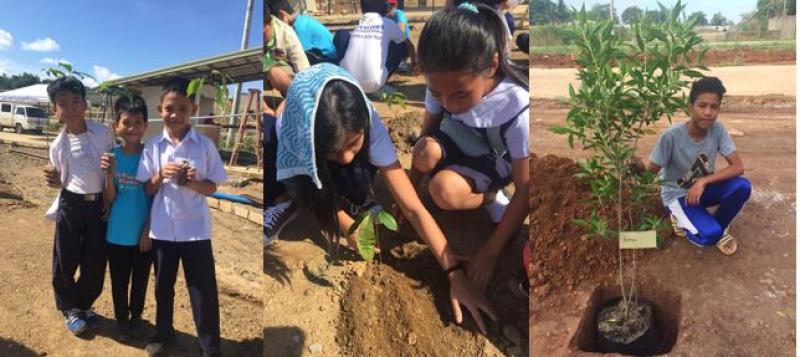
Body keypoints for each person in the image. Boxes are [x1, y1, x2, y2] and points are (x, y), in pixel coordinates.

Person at [263, 63, 497, 333]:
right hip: (287, 144)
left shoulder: (370, 127)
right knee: (285, 183)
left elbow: (413, 208)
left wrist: (453, 271)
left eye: (354, 144)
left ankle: (348, 190)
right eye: (335, 152)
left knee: (356, 178)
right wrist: (347, 227)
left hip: (325, 137)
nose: (347, 157)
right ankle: (285, 198)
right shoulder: (302, 140)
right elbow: (316, 194)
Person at [412, 3, 530, 292]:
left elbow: (526, 188)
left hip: (493, 157)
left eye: (461, 96)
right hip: (458, 140)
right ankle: (459, 178)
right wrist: (410, 193)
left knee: (443, 191)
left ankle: (489, 197)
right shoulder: (442, 84)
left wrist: (490, 252)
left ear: (491, 65)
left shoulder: (517, 108)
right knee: (424, 150)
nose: (449, 104)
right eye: (439, 94)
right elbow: (429, 130)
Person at [137, 78, 228, 356]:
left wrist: (193, 183)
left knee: (202, 292)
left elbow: (213, 186)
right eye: (169, 108)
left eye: (183, 109)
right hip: (163, 231)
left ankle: (209, 347)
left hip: (196, 231)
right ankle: (163, 333)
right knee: (163, 287)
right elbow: (147, 188)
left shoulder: (203, 146)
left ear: (194, 109)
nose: (175, 115)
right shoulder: (152, 146)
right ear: (159, 109)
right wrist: (159, 175)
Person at [646, 76, 750, 256]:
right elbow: (650, 172)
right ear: (690, 106)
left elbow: (737, 167)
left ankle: (718, 227)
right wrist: (634, 174)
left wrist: (702, 182)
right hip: (677, 195)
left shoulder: (718, 130)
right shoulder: (671, 137)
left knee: (742, 186)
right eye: (702, 106)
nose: (708, 112)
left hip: (702, 190)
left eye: (714, 107)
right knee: (708, 236)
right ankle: (682, 220)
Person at [43, 76, 114, 336]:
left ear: (85, 104)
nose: (71, 107)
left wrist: (108, 199)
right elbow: (61, 180)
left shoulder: (103, 132)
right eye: (63, 103)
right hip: (71, 204)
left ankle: (86, 305)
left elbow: (111, 169)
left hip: (98, 204)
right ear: (55, 110)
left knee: (95, 257)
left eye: (76, 101)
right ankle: (69, 308)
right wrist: (53, 179)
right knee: (65, 256)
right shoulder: (57, 144)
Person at [101, 95, 153, 342]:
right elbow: (110, 198)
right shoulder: (111, 156)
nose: (132, 128)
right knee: (119, 282)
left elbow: (157, 199)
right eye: (126, 122)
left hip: (143, 235)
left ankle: (136, 318)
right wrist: (109, 176)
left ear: (146, 125)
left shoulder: (152, 155)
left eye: (138, 122)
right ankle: (122, 320)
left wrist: (147, 231)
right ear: (116, 126)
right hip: (116, 234)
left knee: (140, 281)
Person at [335, 0, 418, 95]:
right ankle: (380, 87)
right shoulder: (388, 23)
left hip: (348, 81)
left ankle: (340, 71)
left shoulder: (361, 23)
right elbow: (409, 44)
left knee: (342, 34)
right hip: (373, 85)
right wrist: (414, 63)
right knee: (402, 45)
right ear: (385, 8)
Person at [268, 0, 337, 64]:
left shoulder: (300, 29)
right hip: (328, 55)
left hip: (327, 59)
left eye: (277, 23)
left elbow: (302, 57)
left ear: (282, 15)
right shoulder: (302, 20)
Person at [264, 4, 310, 96]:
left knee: (275, 72)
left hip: (284, 81)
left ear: (270, 22)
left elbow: (304, 69)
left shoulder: (287, 33)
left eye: (263, 34)